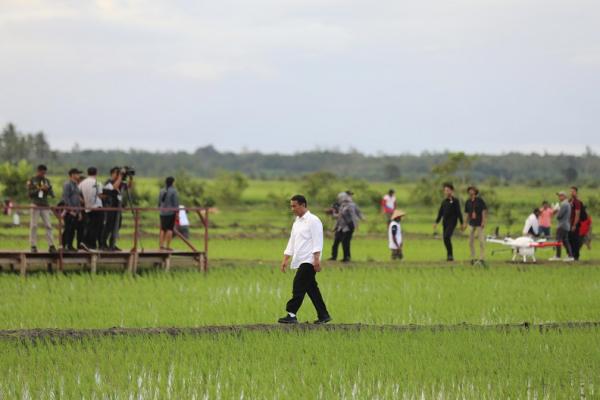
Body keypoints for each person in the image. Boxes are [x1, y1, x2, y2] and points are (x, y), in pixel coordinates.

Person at [279, 195, 331, 324]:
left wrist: (316, 260)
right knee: (311, 289)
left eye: (294, 206)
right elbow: (292, 241)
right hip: (299, 259)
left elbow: (318, 240)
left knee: (298, 285)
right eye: (291, 206)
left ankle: (291, 314)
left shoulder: (313, 220)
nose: (292, 209)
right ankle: (324, 315)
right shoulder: (297, 222)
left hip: (309, 260)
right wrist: (286, 259)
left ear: (303, 205)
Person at [101, 167, 133, 251]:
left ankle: (112, 244)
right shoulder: (109, 182)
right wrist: (120, 177)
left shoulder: (121, 182)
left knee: (117, 226)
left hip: (118, 209)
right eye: (117, 173)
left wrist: (130, 178)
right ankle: (103, 244)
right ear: (112, 174)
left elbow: (128, 186)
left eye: (119, 173)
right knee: (108, 226)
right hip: (110, 208)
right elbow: (114, 187)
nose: (119, 174)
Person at [26, 164, 56, 253]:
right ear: (38, 171)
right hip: (35, 204)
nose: (43, 174)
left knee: (48, 225)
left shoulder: (47, 181)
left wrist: (48, 189)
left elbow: (52, 195)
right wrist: (39, 189)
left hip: (45, 205)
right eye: (42, 173)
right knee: (34, 226)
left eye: (44, 173)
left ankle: (51, 245)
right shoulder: (32, 180)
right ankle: (33, 246)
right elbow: (29, 194)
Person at [329, 191, 363, 263]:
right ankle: (334, 256)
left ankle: (346, 257)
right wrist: (333, 213)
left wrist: (356, 226)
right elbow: (339, 217)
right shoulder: (342, 206)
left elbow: (354, 216)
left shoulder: (351, 206)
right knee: (336, 242)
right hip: (341, 228)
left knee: (345, 242)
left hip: (348, 227)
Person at [433, 183, 463, 261]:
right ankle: (449, 255)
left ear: (452, 191)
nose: (446, 192)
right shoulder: (444, 202)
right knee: (445, 239)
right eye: (445, 190)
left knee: (446, 237)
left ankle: (450, 255)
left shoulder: (455, 201)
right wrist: (436, 222)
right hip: (445, 222)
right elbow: (440, 213)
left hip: (452, 222)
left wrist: (462, 223)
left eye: (448, 190)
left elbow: (459, 212)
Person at [78, 167, 104, 250]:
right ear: (96, 173)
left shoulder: (82, 183)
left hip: (87, 207)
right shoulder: (97, 183)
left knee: (90, 225)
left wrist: (83, 201)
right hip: (97, 207)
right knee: (96, 227)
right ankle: (89, 243)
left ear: (87, 172)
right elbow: (100, 195)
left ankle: (87, 243)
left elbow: (77, 193)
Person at [464, 186, 487, 265]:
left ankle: (482, 257)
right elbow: (467, 213)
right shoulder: (468, 202)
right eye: (469, 190)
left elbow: (483, 211)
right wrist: (465, 223)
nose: (470, 192)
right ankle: (473, 257)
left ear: (475, 192)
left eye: (472, 190)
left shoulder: (479, 201)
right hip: (471, 223)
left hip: (479, 223)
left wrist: (483, 221)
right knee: (470, 241)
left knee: (481, 241)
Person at [61, 168, 83, 252]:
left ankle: (70, 245)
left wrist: (79, 212)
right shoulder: (67, 184)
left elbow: (77, 199)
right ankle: (64, 246)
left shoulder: (76, 185)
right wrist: (70, 210)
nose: (78, 176)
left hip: (76, 211)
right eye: (77, 174)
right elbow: (65, 198)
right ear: (72, 175)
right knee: (67, 229)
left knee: (73, 230)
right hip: (69, 211)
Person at [550, 191, 574, 261]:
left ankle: (558, 256)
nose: (559, 197)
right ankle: (570, 256)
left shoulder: (564, 204)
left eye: (561, 196)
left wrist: (556, 210)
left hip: (562, 225)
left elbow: (559, 216)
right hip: (566, 225)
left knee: (558, 240)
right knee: (565, 241)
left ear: (564, 196)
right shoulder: (567, 204)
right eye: (559, 196)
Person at [158, 176, 179, 251]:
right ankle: (168, 246)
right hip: (170, 213)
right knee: (170, 229)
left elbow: (159, 202)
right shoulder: (174, 191)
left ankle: (161, 246)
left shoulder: (161, 190)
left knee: (163, 229)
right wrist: (177, 213)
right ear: (173, 182)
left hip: (162, 212)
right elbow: (176, 203)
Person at [568, 186, 583, 261]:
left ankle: (576, 256)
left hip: (574, 224)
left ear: (576, 192)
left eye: (573, 191)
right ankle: (571, 255)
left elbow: (577, 214)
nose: (572, 192)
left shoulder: (577, 202)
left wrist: (574, 225)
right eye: (571, 191)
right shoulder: (570, 201)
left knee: (575, 240)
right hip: (569, 223)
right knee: (569, 239)